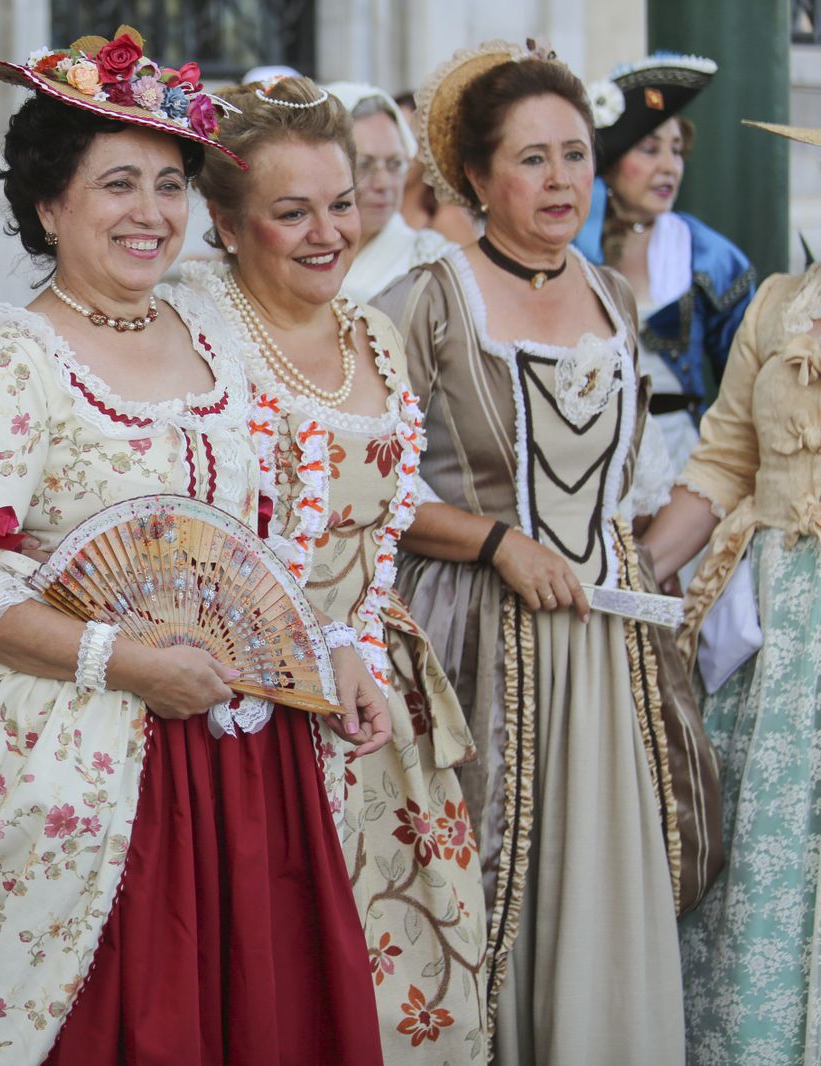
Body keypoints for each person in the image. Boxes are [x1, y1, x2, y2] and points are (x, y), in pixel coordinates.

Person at [0, 28, 390, 1065]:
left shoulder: (216, 335)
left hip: (245, 754)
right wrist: (130, 665)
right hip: (92, 763)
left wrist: (330, 645)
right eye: (117, 184)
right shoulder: (11, 369)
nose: (150, 213)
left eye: (169, 185)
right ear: (49, 204)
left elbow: (265, 542)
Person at [372, 40, 716, 1064]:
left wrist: (652, 569)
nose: (559, 179)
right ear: (475, 177)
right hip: (483, 642)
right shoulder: (423, 305)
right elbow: (365, 489)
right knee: (489, 873)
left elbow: (639, 480)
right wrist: (492, 541)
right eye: (530, 158)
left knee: (616, 867)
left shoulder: (610, 295)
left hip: (608, 651)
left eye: (573, 154)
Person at [180, 74, 487, 1060]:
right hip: (245, 708)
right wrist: (307, 646)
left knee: (407, 979)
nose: (328, 231)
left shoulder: (376, 335)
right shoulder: (195, 336)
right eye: (291, 211)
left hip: (373, 701)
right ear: (226, 226)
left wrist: (354, 640)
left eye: (342, 203)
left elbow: (379, 529)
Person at [643, 116, 821, 1066]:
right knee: (761, 865)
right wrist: (636, 574)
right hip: (782, 635)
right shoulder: (781, 304)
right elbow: (721, 463)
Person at [574, 55, 755, 476]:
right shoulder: (572, 249)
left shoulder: (708, 255)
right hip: (586, 461)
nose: (669, 166)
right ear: (613, 163)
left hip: (681, 458)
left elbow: (747, 380)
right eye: (650, 149)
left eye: (677, 150)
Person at [324, 81, 452, 303]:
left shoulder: (431, 259)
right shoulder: (295, 255)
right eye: (364, 165)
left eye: (395, 164)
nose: (383, 183)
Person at [394, 89, 478, 248]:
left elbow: (475, 270)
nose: (403, 152)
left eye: (411, 139)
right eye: (397, 139)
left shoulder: (447, 218)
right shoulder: (376, 211)